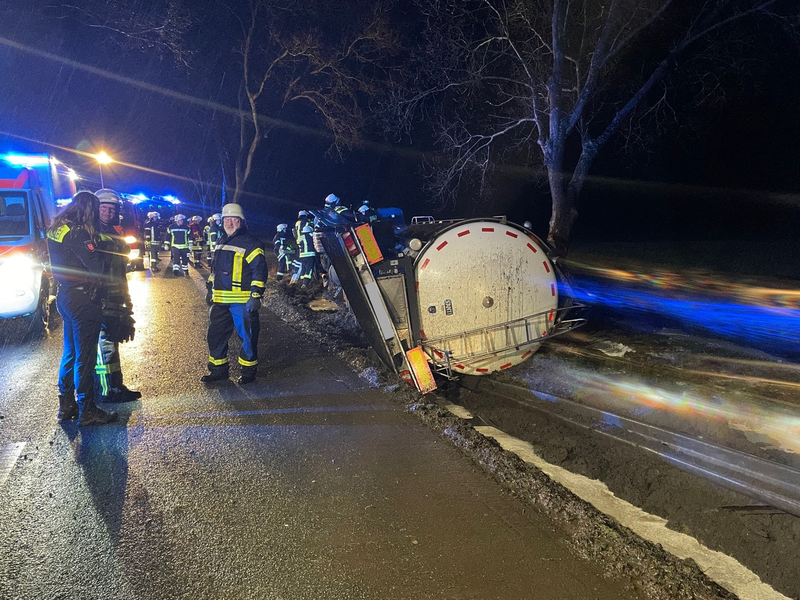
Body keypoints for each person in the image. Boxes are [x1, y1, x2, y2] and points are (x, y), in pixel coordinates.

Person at [47, 191, 116, 426]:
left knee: (70, 353)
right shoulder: (77, 233)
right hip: (83, 300)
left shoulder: (58, 228)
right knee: (84, 358)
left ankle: (66, 405)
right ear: (89, 210)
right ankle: (87, 409)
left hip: (65, 296)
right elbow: (95, 265)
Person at [201, 203, 267, 385]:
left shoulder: (251, 243)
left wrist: (256, 295)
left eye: (234, 219)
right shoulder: (221, 241)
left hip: (242, 302)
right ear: (222, 221)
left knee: (247, 336)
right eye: (227, 219)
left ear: (241, 222)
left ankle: (248, 372)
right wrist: (210, 288)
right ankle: (218, 371)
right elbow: (215, 269)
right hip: (220, 300)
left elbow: (259, 270)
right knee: (215, 335)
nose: (230, 222)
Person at [94, 189, 140, 404]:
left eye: (111, 208)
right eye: (103, 207)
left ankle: (114, 386)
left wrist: (126, 303)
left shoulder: (114, 235)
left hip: (114, 297)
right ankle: (106, 391)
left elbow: (120, 273)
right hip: (99, 299)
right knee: (104, 344)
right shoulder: (90, 234)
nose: (107, 211)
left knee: (111, 341)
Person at [295, 223, 317, 287]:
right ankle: (305, 284)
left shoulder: (300, 238)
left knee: (303, 269)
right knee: (309, 269)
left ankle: (302, 282)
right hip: (310, 255)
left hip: (302, 256)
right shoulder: (311, 235)